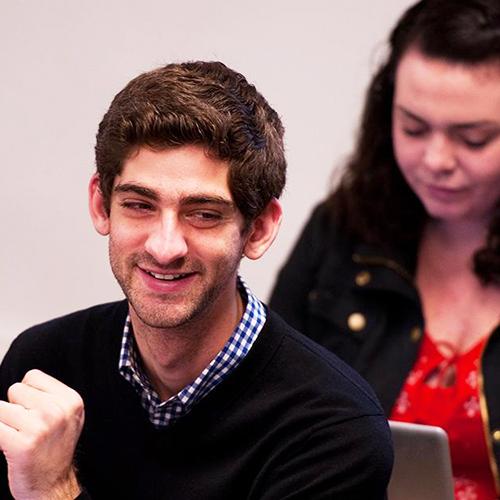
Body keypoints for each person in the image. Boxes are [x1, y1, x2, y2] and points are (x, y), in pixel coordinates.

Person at [0, 61, 392, 499]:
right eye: (139, 205)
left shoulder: (332, 429)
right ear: (100, 204)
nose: (165, 247)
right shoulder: (42, 365)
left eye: (204, 215)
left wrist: (53, 489)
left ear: (259, 229)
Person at [270, 0, 500, 497]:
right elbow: (266, 406)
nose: (437, 160)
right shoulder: (343, 230)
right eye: (413, 128)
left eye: (474, 138)